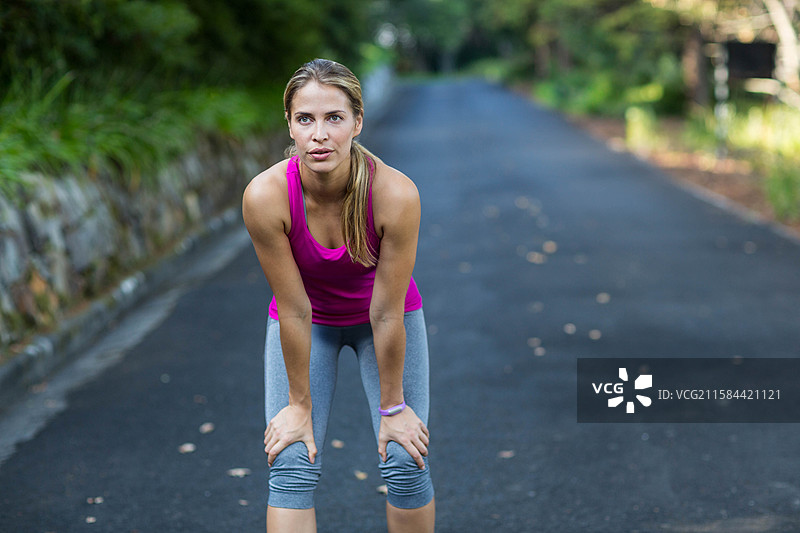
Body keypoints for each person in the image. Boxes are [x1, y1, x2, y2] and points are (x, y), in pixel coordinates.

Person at [242, 58, 435, 533]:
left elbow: (387, 313)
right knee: (290, 461)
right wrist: (298, 405)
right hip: (308, 325)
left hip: (385, 323)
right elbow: (294, 308)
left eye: (334, 118)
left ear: (357, 122)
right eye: (305, 119)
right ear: (289, 123)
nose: (319, 134)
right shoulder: (265, 196)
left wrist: (394, 409)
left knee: (405, 461)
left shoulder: (395, 194)